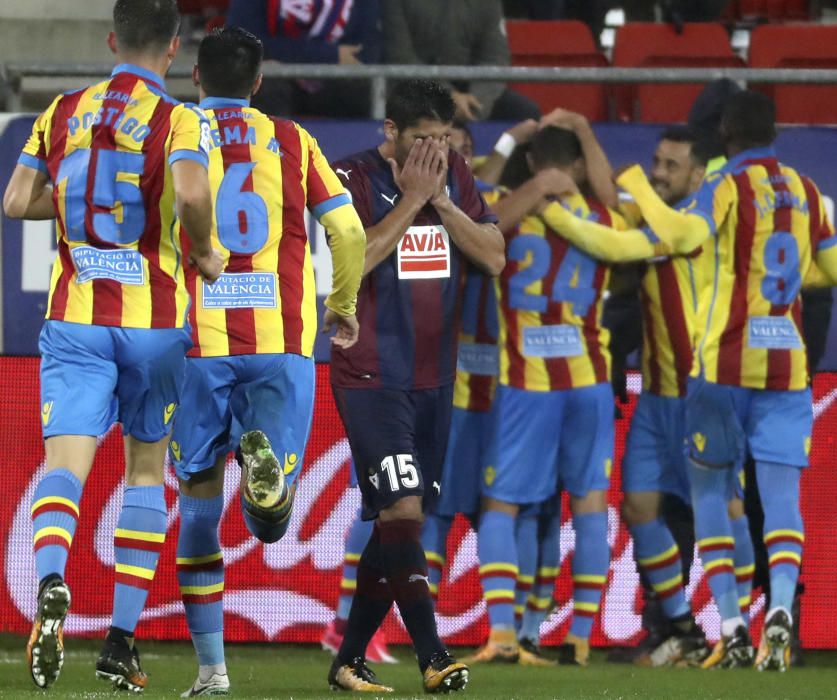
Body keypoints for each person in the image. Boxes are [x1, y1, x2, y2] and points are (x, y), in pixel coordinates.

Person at [549, 91, 837, 671]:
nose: (657, 174)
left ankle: (738, 624)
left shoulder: (718, 200)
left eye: (668, 166)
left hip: (716, 375)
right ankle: (733, 618)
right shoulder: (805, 193)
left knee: (721, 504)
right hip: (736, 378)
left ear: (719, 146)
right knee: (729, 502)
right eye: (654, 165)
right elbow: (827, 270)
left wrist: (547, 209)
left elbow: (663, 237)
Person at [2, 0, 223, 691]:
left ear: (110, 41)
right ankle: (121, 640)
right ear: (174, 49)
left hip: (75, 316)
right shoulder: (179, 118)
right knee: (143, 470)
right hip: (152, 325)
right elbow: (189, 194)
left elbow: (14, 202)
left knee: (63, 463)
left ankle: (51, 583)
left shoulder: (63, 109)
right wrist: (205, 249)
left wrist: (73, 211)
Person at [168, 27, 366, 697]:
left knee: (197, 509)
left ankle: (212, 671)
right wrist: (342, 305)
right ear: (257, 82)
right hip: (280, 345)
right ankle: (270, 484)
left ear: (195, 76)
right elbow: (346, 231)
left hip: (196, 344)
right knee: (271, 522)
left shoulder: (175, 133)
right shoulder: (294, 140)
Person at [326, 79, 504, 693]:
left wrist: (445, 204)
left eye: (443, 139)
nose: (434, 152)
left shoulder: (454, 174)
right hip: (371, 371)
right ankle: (434, 656)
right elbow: (345, 263)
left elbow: (494, 255)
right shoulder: (347, 178)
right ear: (391, 135)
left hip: (435, 376)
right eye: (421, 139)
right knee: (401, 508)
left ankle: (348, 660)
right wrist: (411, 203)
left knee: (399, 520)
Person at [471, 123, 621, 668]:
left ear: (536, 165)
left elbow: (477, 216)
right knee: (589, 507)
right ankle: (579, 637)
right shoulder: (603, 218)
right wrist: (585, 134)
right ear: (579, 166)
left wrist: (532, 179)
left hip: (527, 384)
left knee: (502, 506)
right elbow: (610, 197)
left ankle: (505, 634)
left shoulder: (511, 217)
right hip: (590, 382)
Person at [381, 0, 540, 123]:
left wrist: (477, 103)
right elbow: (401, 58)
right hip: (415, 87)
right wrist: (447, 96)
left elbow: (495, 58)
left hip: (472, 91)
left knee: (527, 115)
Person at [225, 0, 382, 118]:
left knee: (364, 92)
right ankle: (271, 156)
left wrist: (292, 56)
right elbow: (240, 40)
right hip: (274, 80)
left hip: (334, 82)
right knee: (266, 85)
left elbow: (363, 52)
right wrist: (332, 55)